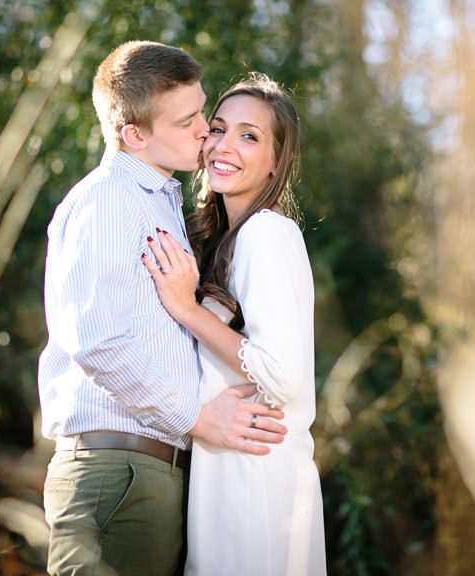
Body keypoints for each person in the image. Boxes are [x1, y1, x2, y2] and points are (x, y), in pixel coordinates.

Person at [38, 42, 287, 576]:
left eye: (202, 111)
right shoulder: (108, 202)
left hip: (149, 473)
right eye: (189, 120)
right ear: (134, 135)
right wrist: (196, 417)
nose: (205, 130)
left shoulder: (161, 202)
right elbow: (96, 340)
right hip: (115, 471)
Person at [142, 73, 327, 575]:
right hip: (226, 471)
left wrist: (186, 309)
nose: (225, 145)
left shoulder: (267, 233)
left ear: (275, 164)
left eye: (250, 136)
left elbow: (281, 374)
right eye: (219, 128)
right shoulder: (229, 240)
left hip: (255, 480)